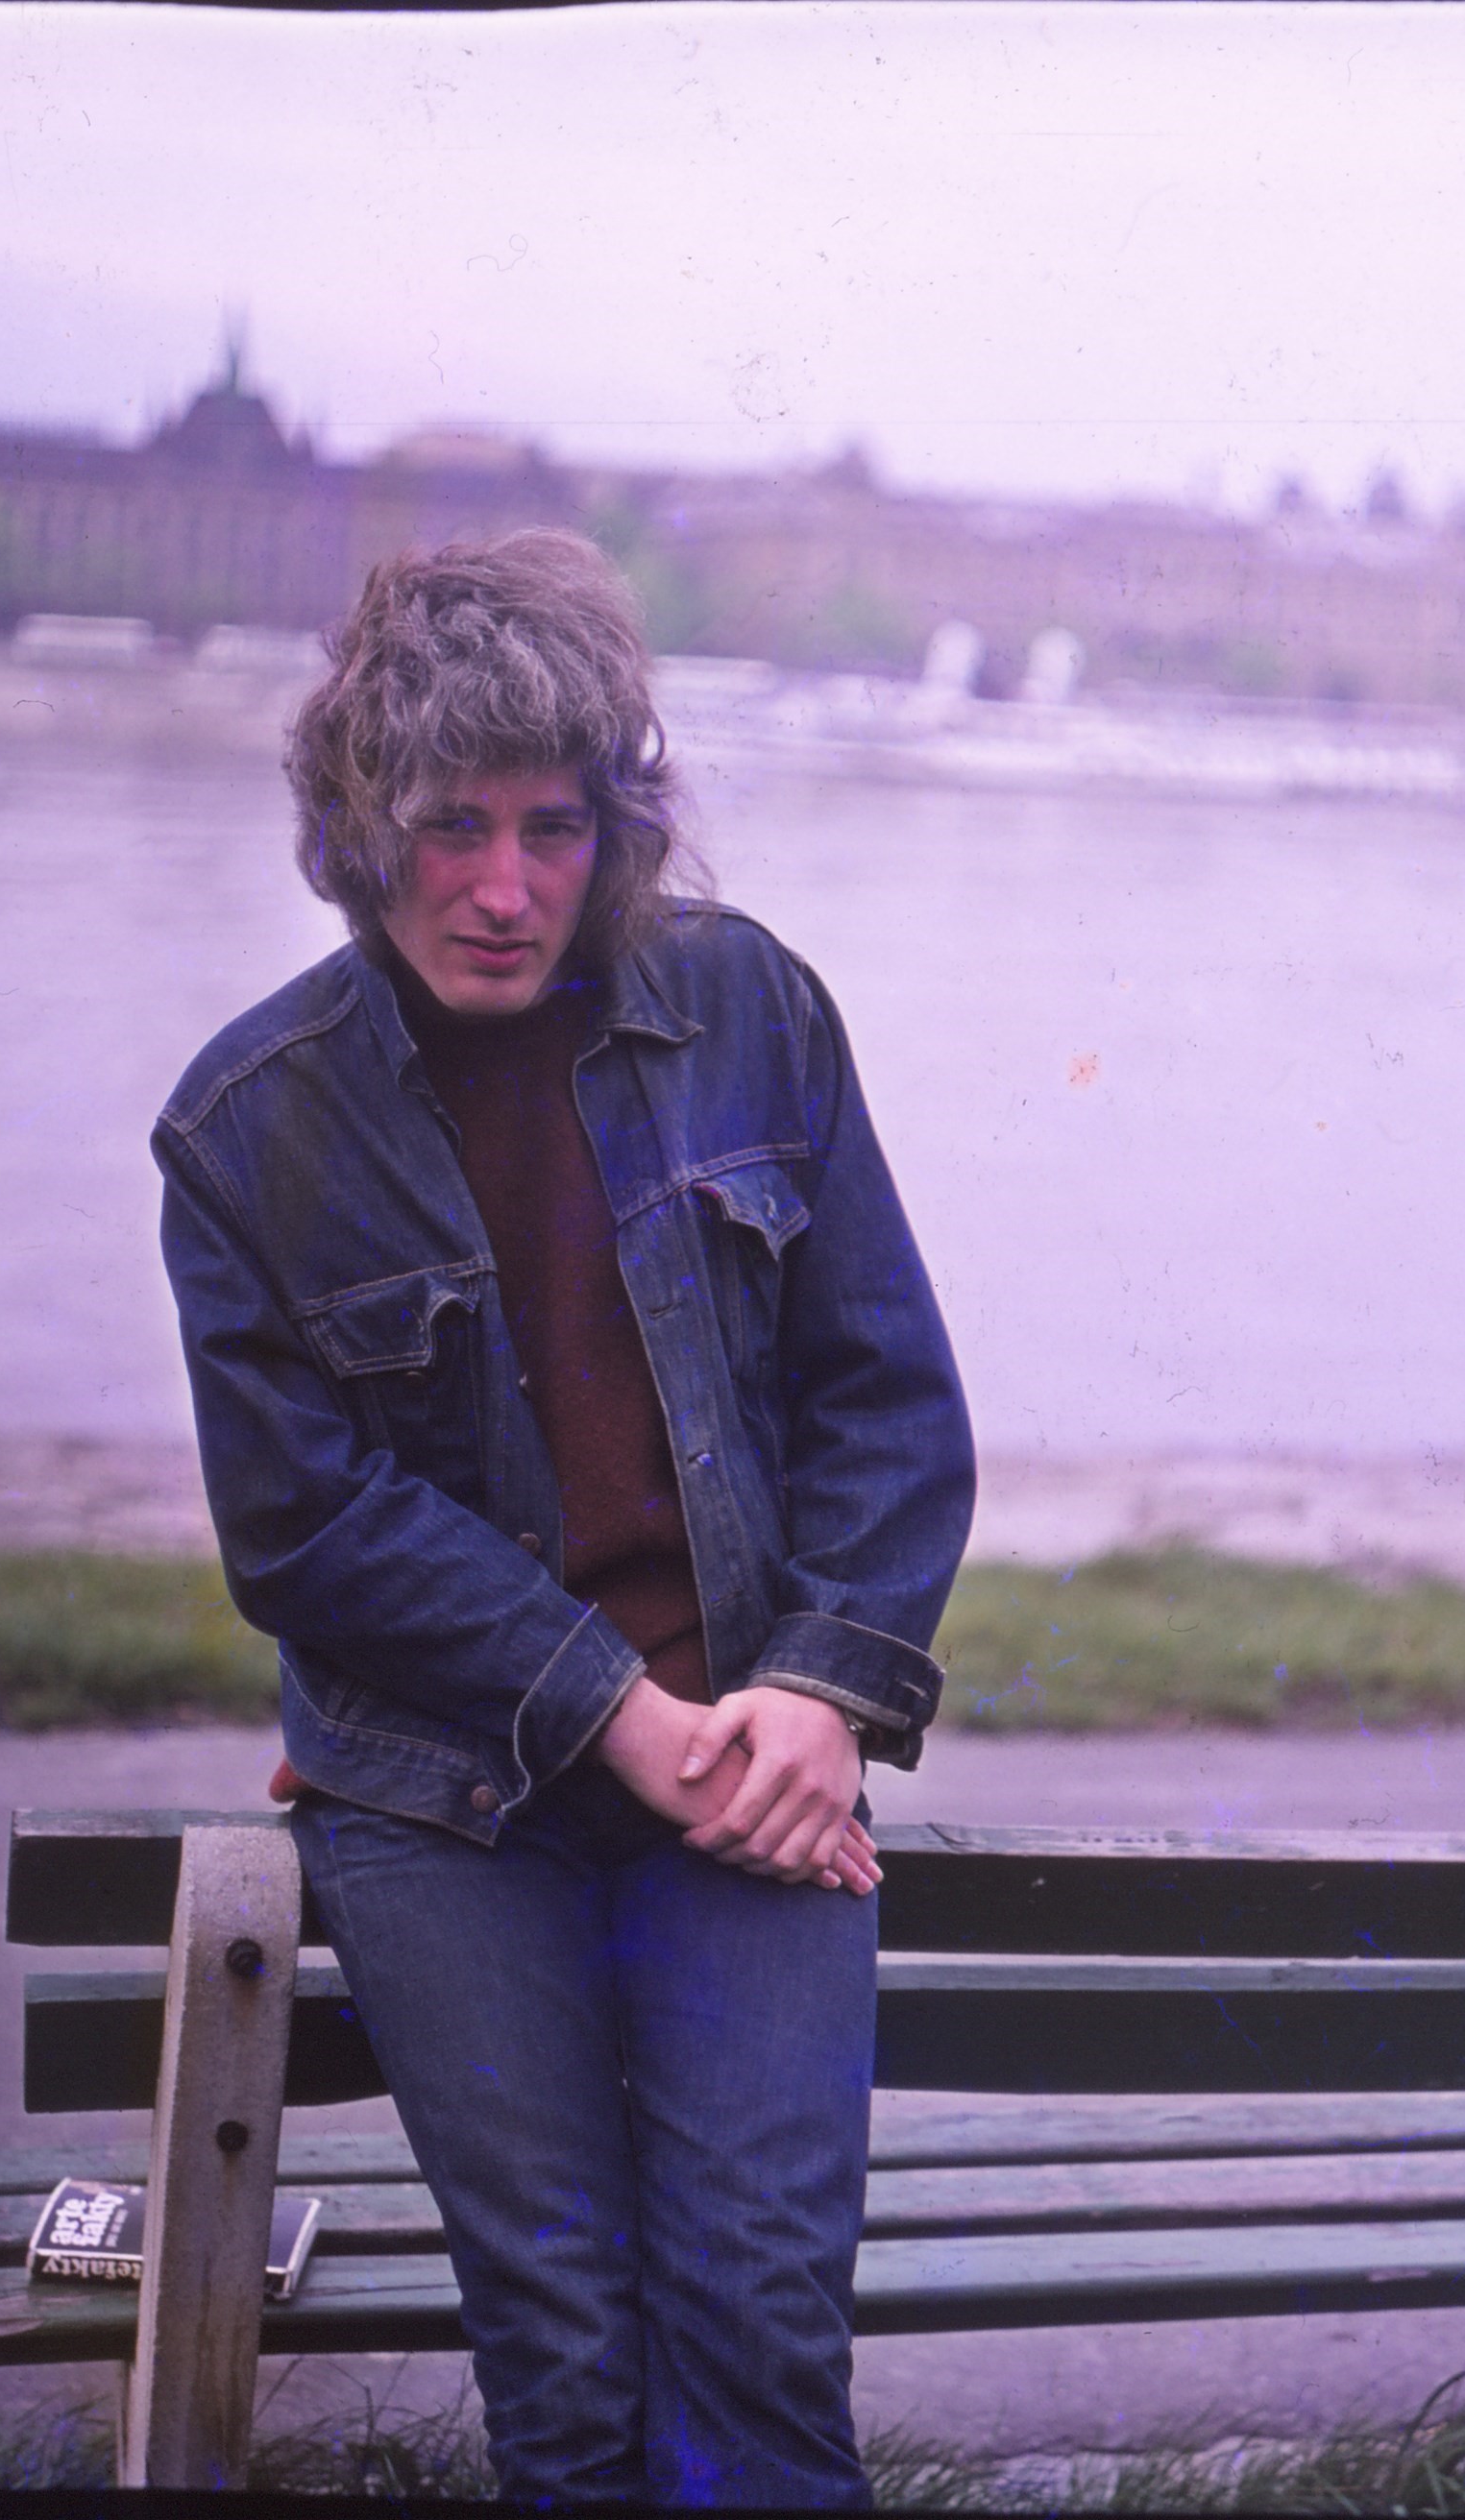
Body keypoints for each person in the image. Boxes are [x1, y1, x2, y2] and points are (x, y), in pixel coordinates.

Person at [152, 531, 975, 2507]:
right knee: (567, 2354)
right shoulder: (247, 1126)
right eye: (450, 826)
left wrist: (820, 1694)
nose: (504, 889)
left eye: (552, 826)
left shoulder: (753, 1009)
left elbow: (885, 1399)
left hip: (749, 1768)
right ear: (357, 827)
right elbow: (303, 1529)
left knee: (760, 2324)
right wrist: (613, 1707)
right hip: (447, 1803)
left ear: (619, 828)